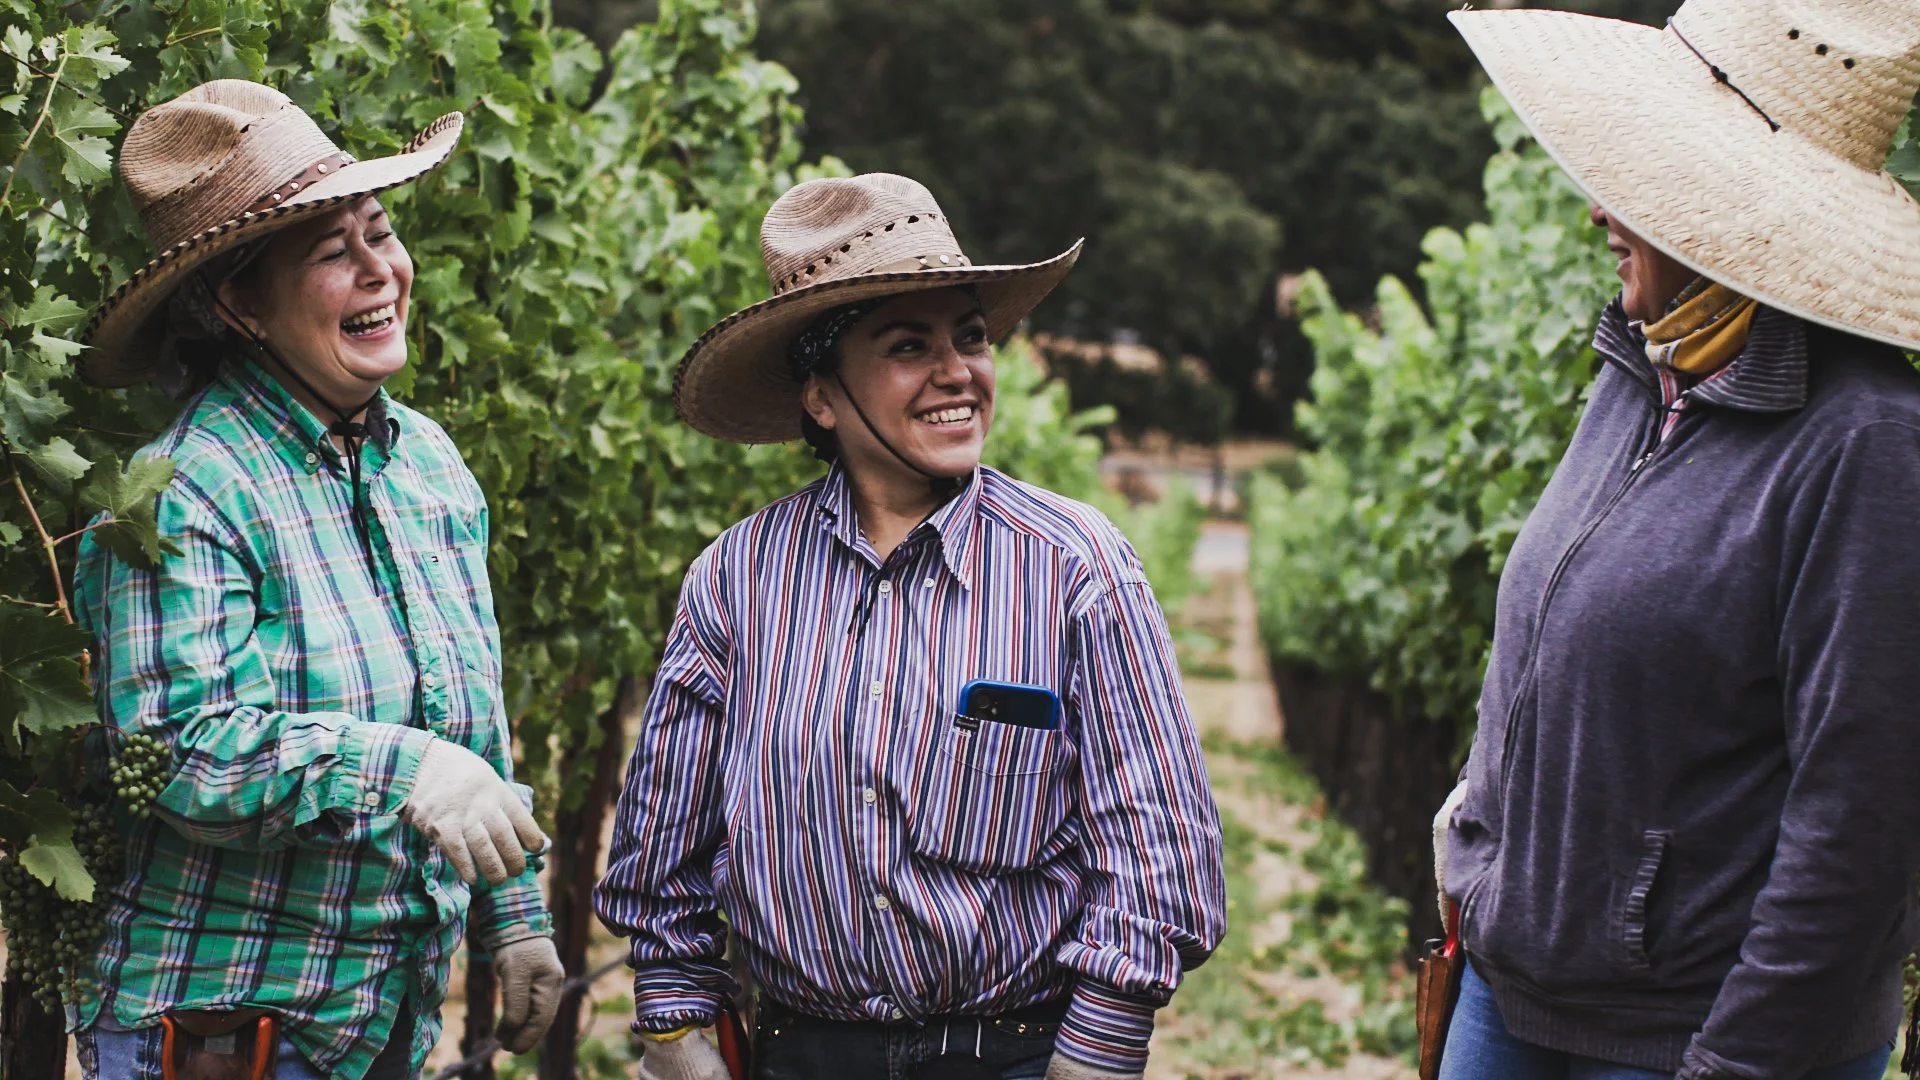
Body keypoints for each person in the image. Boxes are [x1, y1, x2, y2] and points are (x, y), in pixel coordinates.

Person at [594, 173, 1227, 1080]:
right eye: (907, 345)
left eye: (969, 337)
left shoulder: (1074, 566)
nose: (956, 372)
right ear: (822, 397)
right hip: (798, 1055)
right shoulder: (735, 581)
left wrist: (1096, 1053)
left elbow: (1158, 846)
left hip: (1011, 1054)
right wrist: (674, 1028)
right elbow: (662, 854)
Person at [1433, 2, 1920, 1078]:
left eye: (1646, 177)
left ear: (1740, 210)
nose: (1602, 207)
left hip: (1694, 1041)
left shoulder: (1866, 444)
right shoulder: (1644, 367)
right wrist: (1476, 852)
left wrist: (1738, 1064)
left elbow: (1865, 820)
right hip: (1511, 1000)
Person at [69, 80, 563, 1079]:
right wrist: (397, 767)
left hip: (382, 1023)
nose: (382, 269)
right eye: (335, 254)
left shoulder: (428, 463)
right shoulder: (184, 490)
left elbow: (472, 718)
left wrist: (513, 917)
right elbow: (178, 752)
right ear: (238, 305)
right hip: (224, 1036)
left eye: (381, 232)